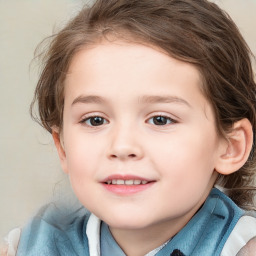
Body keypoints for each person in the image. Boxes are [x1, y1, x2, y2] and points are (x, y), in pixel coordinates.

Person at [2, 0, 256, 255]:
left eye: (160, 119)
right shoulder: (27, 245)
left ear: (230, 147)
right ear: (63, 147)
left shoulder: (242, 247)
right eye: (95, 120)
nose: (122, 146)